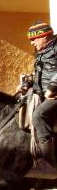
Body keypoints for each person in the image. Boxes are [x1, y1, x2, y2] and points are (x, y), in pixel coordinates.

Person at [24, 22, 57, 178]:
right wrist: (26, 85)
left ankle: (50, 164)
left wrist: (52, 87)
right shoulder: (42, 51)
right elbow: (39, 74)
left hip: (54, 94)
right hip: (44, 93)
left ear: (44, 36)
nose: (32, 42)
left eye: (34, 39)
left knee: (38, 115)